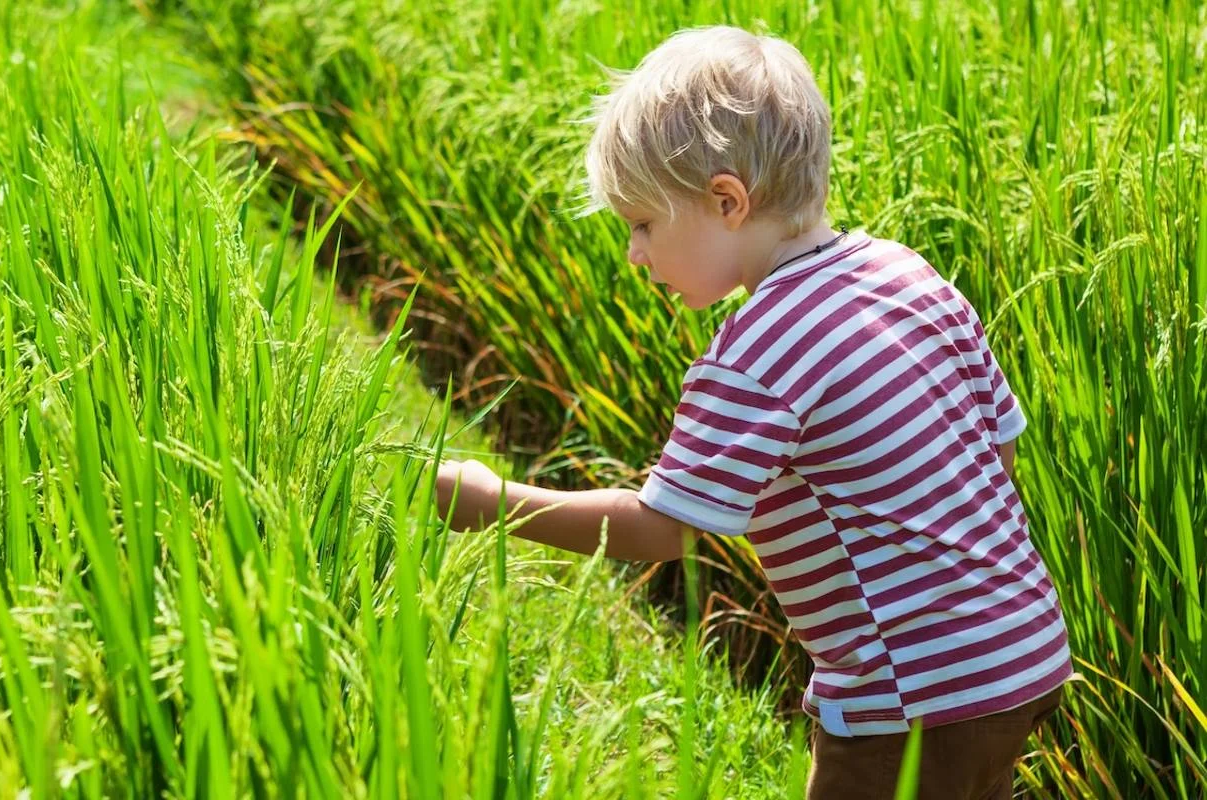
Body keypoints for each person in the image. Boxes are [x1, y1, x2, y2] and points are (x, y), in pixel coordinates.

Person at [433, 25, 1072, 800]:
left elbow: (661, 530)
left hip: (911, 697)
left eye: (643, 224)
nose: (635, 253)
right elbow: (997, 449)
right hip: (1022, 650)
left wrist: (489, 502)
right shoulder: (907, 273)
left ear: (726, 201)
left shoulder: (759, 347)